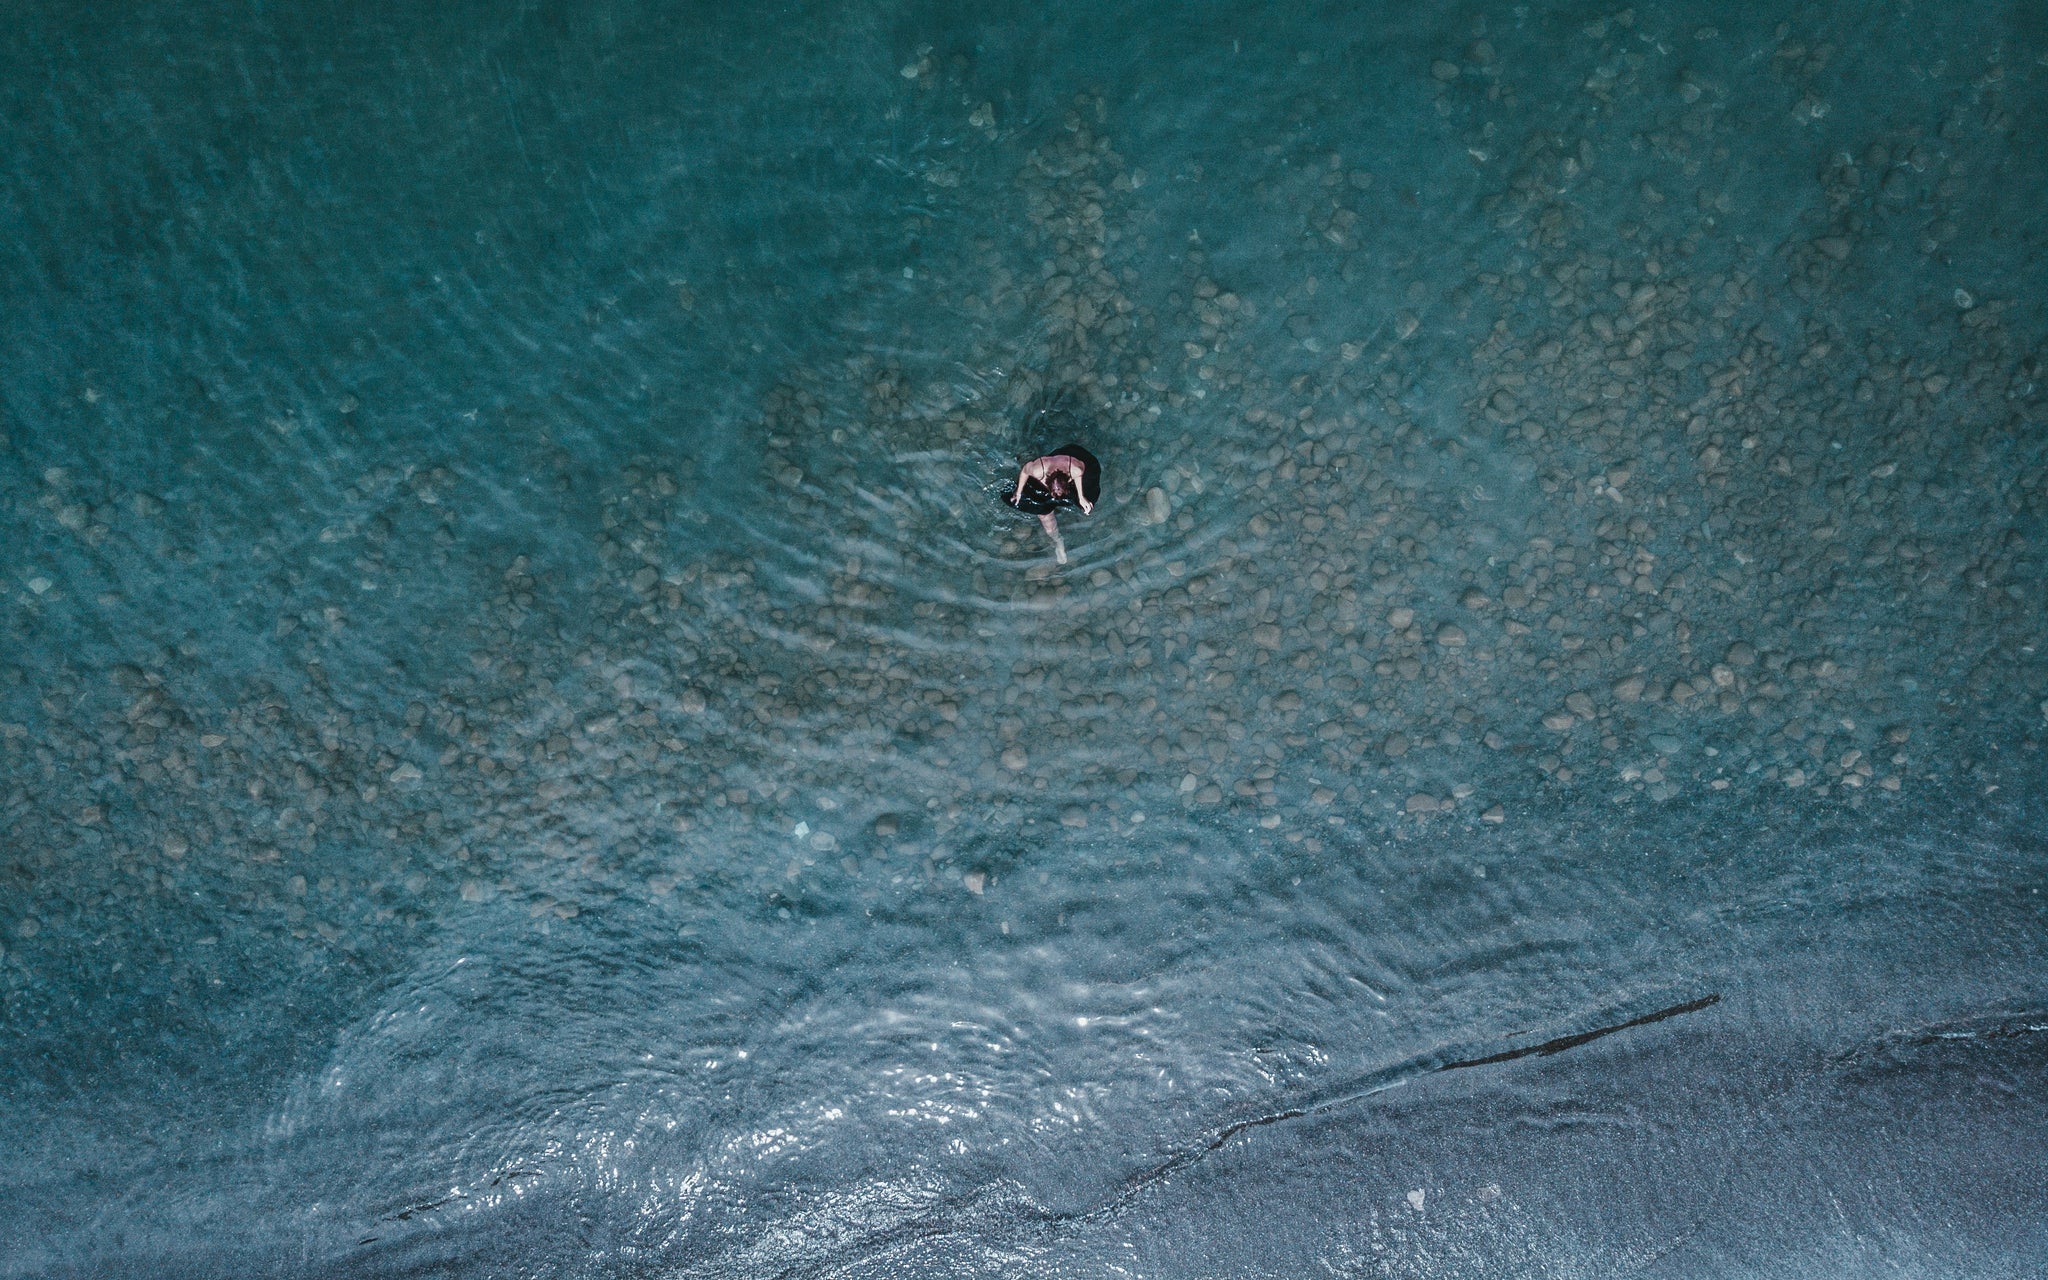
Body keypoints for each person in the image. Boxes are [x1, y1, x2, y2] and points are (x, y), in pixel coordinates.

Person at [1007, 443, 1100, 564]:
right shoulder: (1038, 470)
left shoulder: (1076, 469)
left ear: (1068, 480)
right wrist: (1018, 492)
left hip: (1074, 457)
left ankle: (1057, 537)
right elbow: (1025, 470)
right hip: (1051, 464)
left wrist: (1081, 497)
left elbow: (1078, 476)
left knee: (1087, 499)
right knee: (1043, 512)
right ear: (1047, 480)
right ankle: (1057, 540)